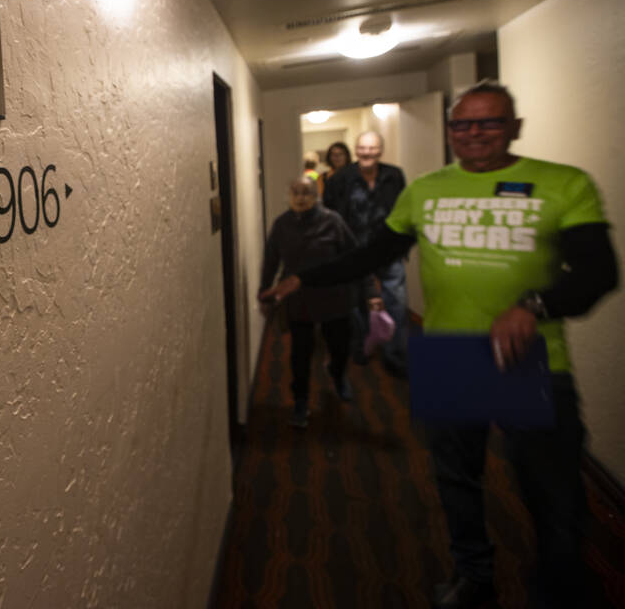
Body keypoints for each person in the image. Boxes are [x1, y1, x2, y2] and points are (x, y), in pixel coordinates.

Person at [262, 81, 618, 609]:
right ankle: (474, 576)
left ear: (514, 127)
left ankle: (558, 585)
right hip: (450, 355)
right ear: (450, 131)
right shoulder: (425, 190)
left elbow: (598, 272)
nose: (474, 133)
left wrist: (535, 306)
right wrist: (302, 279)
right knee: (456, 480)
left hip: (531, 360)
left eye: (489, 122)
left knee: (551, 489)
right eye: (462, 124)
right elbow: (369, 254)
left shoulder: (563, 185)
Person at [259, 176, 362, 428]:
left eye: (307, 192)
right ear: (289, 195)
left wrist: (367, 290)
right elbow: (271, 259)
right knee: (300, 353)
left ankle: (337, 374)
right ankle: (301, 399)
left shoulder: (333, 221)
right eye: (296, 192)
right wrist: (265, 289)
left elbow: (354, 256)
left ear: (316, 195)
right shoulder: (282, 225)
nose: (301, 197)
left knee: (339, 346)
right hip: (299, 300)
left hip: (334, 296)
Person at [322, 130, 409, 374]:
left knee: (397, 304)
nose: (367, 153)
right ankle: (361, 348)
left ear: (380, 150)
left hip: (388, 250)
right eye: (362, 148)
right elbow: (329, 213)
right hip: (355, 252)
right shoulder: (340, 179)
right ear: (356, 149)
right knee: (356, 305)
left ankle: (396, 356)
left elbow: (404, 210)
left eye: (372, 148)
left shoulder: (394, 175)